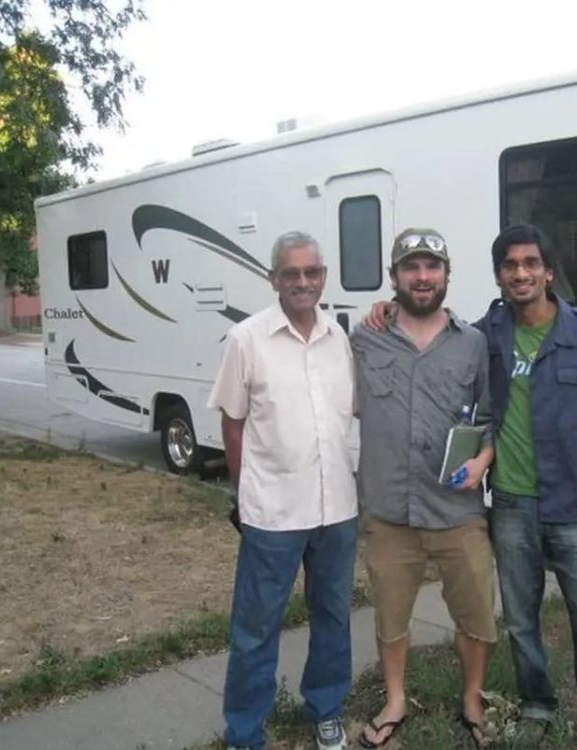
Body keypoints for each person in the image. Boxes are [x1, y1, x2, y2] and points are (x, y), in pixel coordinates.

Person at [364, 223, 577, 749]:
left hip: (574, 506)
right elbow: (479, 403)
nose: (521, 273)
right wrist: (386, 307)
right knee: (521, 621)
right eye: (510, 266)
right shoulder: (491, 333)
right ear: (497, 276)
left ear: (548, 271)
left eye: (531, 263)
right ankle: (537, 705)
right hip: (510, 503)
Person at [207, 231, 357, 750]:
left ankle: (326, 707)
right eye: (290, 273)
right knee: (255, 630)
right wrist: (244, 496)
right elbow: (233, 423)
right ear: (273, 279)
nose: (302, 282)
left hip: (337, 507)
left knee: (334, 617)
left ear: (323, 277)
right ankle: (245, 732)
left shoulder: (339, 336)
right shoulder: (246, 340)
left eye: (311, 272)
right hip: (271, 513)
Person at [352, 228, 497, 748]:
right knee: (390, 617)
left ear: (446, 275)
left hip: (457, 510)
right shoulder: (364, 337)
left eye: (431, 267)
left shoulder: (474, 343)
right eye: (411, 267)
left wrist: (483, 459)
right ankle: (394, 699)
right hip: (390, 511)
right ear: (394, 277)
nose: (422, 276)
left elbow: (492, 418)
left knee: (478, 613)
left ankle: (473, 699)